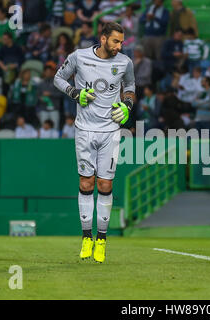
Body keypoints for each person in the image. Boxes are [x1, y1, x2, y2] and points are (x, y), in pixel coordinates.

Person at [54, 22, 136, 263]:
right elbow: (59, 78)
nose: (119, 46)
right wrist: (74, 93)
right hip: (84, 130)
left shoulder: (125, 62)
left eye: (121, 42)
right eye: (115, 41)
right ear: (103, 39)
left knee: (105, 185)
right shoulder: (79, 57)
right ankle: (86, 237)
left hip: (111, 130)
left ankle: (102, 239)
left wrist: (127, 106)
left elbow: (130, 86)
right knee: (86, 183)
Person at [38, 63, 63, 130]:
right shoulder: (41, 83)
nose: (48, 73)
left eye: (50, 72)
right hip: (44, 109)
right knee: (44, 129)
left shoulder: (57, 82)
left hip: (54, 109)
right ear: (44, 72)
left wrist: (50, 94)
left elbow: (61, 94)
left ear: (52, 72)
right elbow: (38, 95)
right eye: (47, 72)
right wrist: (41, 98)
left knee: (55, 128)